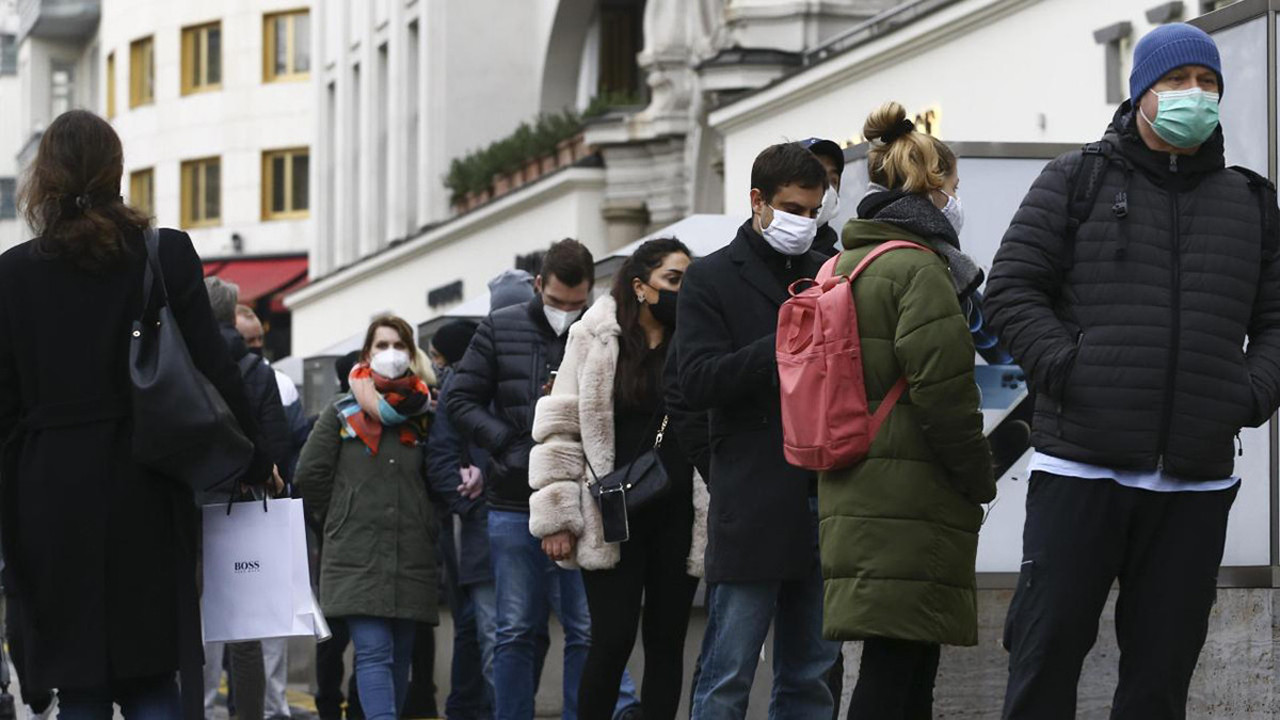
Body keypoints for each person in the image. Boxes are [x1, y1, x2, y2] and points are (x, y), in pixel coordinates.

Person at [985, 23, 1280, 719]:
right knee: (1046, 654)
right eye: (1177, 82)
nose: (1195, 95)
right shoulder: (1076, 178)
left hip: (1196, 480)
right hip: (1081, 468)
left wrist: (1251, 393)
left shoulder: (1250, 202)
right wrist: (1069, 368)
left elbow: (1275, 323)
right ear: (1141, 93)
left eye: (1208, 83)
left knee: (1161, 674)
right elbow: (1011, 291)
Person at [0, 109, 273, 718]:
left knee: (81, 686)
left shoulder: (13, 274)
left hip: (50, 493)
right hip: (148, 478)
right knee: (151, 677)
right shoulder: (164, 254)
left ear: (42, 178)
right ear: (117, 171)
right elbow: (215, 367)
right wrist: (257, 456)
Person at [822, 102, 995, 719]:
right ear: (933, 188)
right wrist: (981, 476)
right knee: (900, 671)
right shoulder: (920, 270)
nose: (956, 199)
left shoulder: (845, 264)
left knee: (896, 661)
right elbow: (945, 394)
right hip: (912, 491)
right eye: (952, 186)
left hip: (857, 482)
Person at [676, 142, 840, 719]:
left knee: (811, 676)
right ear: (757, 202)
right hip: (753, 498)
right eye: (792, 208)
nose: (803, 221)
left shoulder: (828, 274)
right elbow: (693, 383)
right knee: (727, 674)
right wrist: (780, 349)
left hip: (824, 494)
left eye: (813, 211)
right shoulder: (711, 278)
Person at [529, 238, 710, 719]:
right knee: (610, 642)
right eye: (673, 280)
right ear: (640, 284)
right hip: (611, 515)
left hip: (678, 515)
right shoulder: (594, 336)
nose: (682, 291)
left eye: (688, 282)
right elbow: (561, 428)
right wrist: (558, 518)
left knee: (668, 643)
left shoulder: (695, 336)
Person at [448, 239, 599, 720]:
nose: (567, 314)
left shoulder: (598, 331)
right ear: (538, 286)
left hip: (582, 500)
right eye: (557, 303)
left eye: (578, 305)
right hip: (514, 500)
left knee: (585, 628)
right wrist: (510, 446)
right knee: (514, 628)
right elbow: (459, 400)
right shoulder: (500, 327)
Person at [296, 316, 458, 720]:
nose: (390, 354)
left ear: (410, 353)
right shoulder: (341, 411)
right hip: (356, 552)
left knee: (400, 656)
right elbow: (309, 475)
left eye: (398, 345)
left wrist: (426, 517)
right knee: (373, 653)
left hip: (411, 552)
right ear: (367, 354)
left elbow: (438, 477)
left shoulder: (425, 414)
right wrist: (339, 514)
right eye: (381, 345)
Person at [425, 319, 491, 719]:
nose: (435, 367)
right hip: (468, 522)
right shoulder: (453, 388)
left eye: (438, 358)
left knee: (481, 625)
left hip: (469, 518)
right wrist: (470, 506)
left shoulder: (457, 387)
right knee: (482, 625)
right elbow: (443, 459)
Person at [312, 351, 364, 720]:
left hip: (334, 544)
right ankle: (339, 705)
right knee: (350, 639)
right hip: (339, 542)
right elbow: (310, 477)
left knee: (340, 638)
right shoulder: (331, 418)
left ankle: (333, 705)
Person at [800, 137, 846, 258]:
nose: (827, 189)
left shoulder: (838, 265)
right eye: (815, 176)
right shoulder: (764, 255)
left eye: (833, 181)